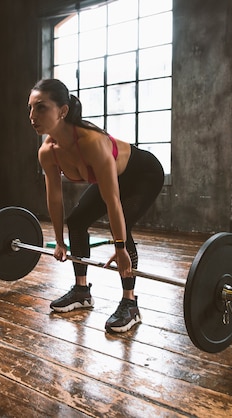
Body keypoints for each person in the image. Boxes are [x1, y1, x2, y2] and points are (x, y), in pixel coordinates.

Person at [28, 78, 164, 333]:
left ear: (63, 111)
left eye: (41, 107)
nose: (32, 116)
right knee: (77, 221)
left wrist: (121, 248)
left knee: (122, 227)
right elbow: (55, 199)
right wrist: (58, 241)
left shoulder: (91, 142)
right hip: (113, 176)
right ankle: (81, 291)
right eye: (30, 108)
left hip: (143, 173)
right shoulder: (47, 152)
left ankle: (130, 303)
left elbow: (113, 201)